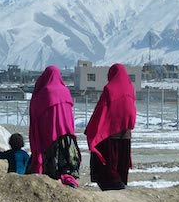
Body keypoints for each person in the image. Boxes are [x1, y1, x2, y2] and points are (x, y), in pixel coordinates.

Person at [84, 63, 136, 191]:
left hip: (110, 134)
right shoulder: (130, 89)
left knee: (106, 162)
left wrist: (92, 129)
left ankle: (112, 184)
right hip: (125, 134)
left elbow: (102, 111)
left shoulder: (110, 89)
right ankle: (120, 183)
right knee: (121, 163)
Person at [29, 65, 81, 187]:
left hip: (50, 137)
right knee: (66, 166)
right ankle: (69, 180)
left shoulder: (45, 93)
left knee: (51, 168)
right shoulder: (65, 91)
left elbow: (36, 117)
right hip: (67, 136)